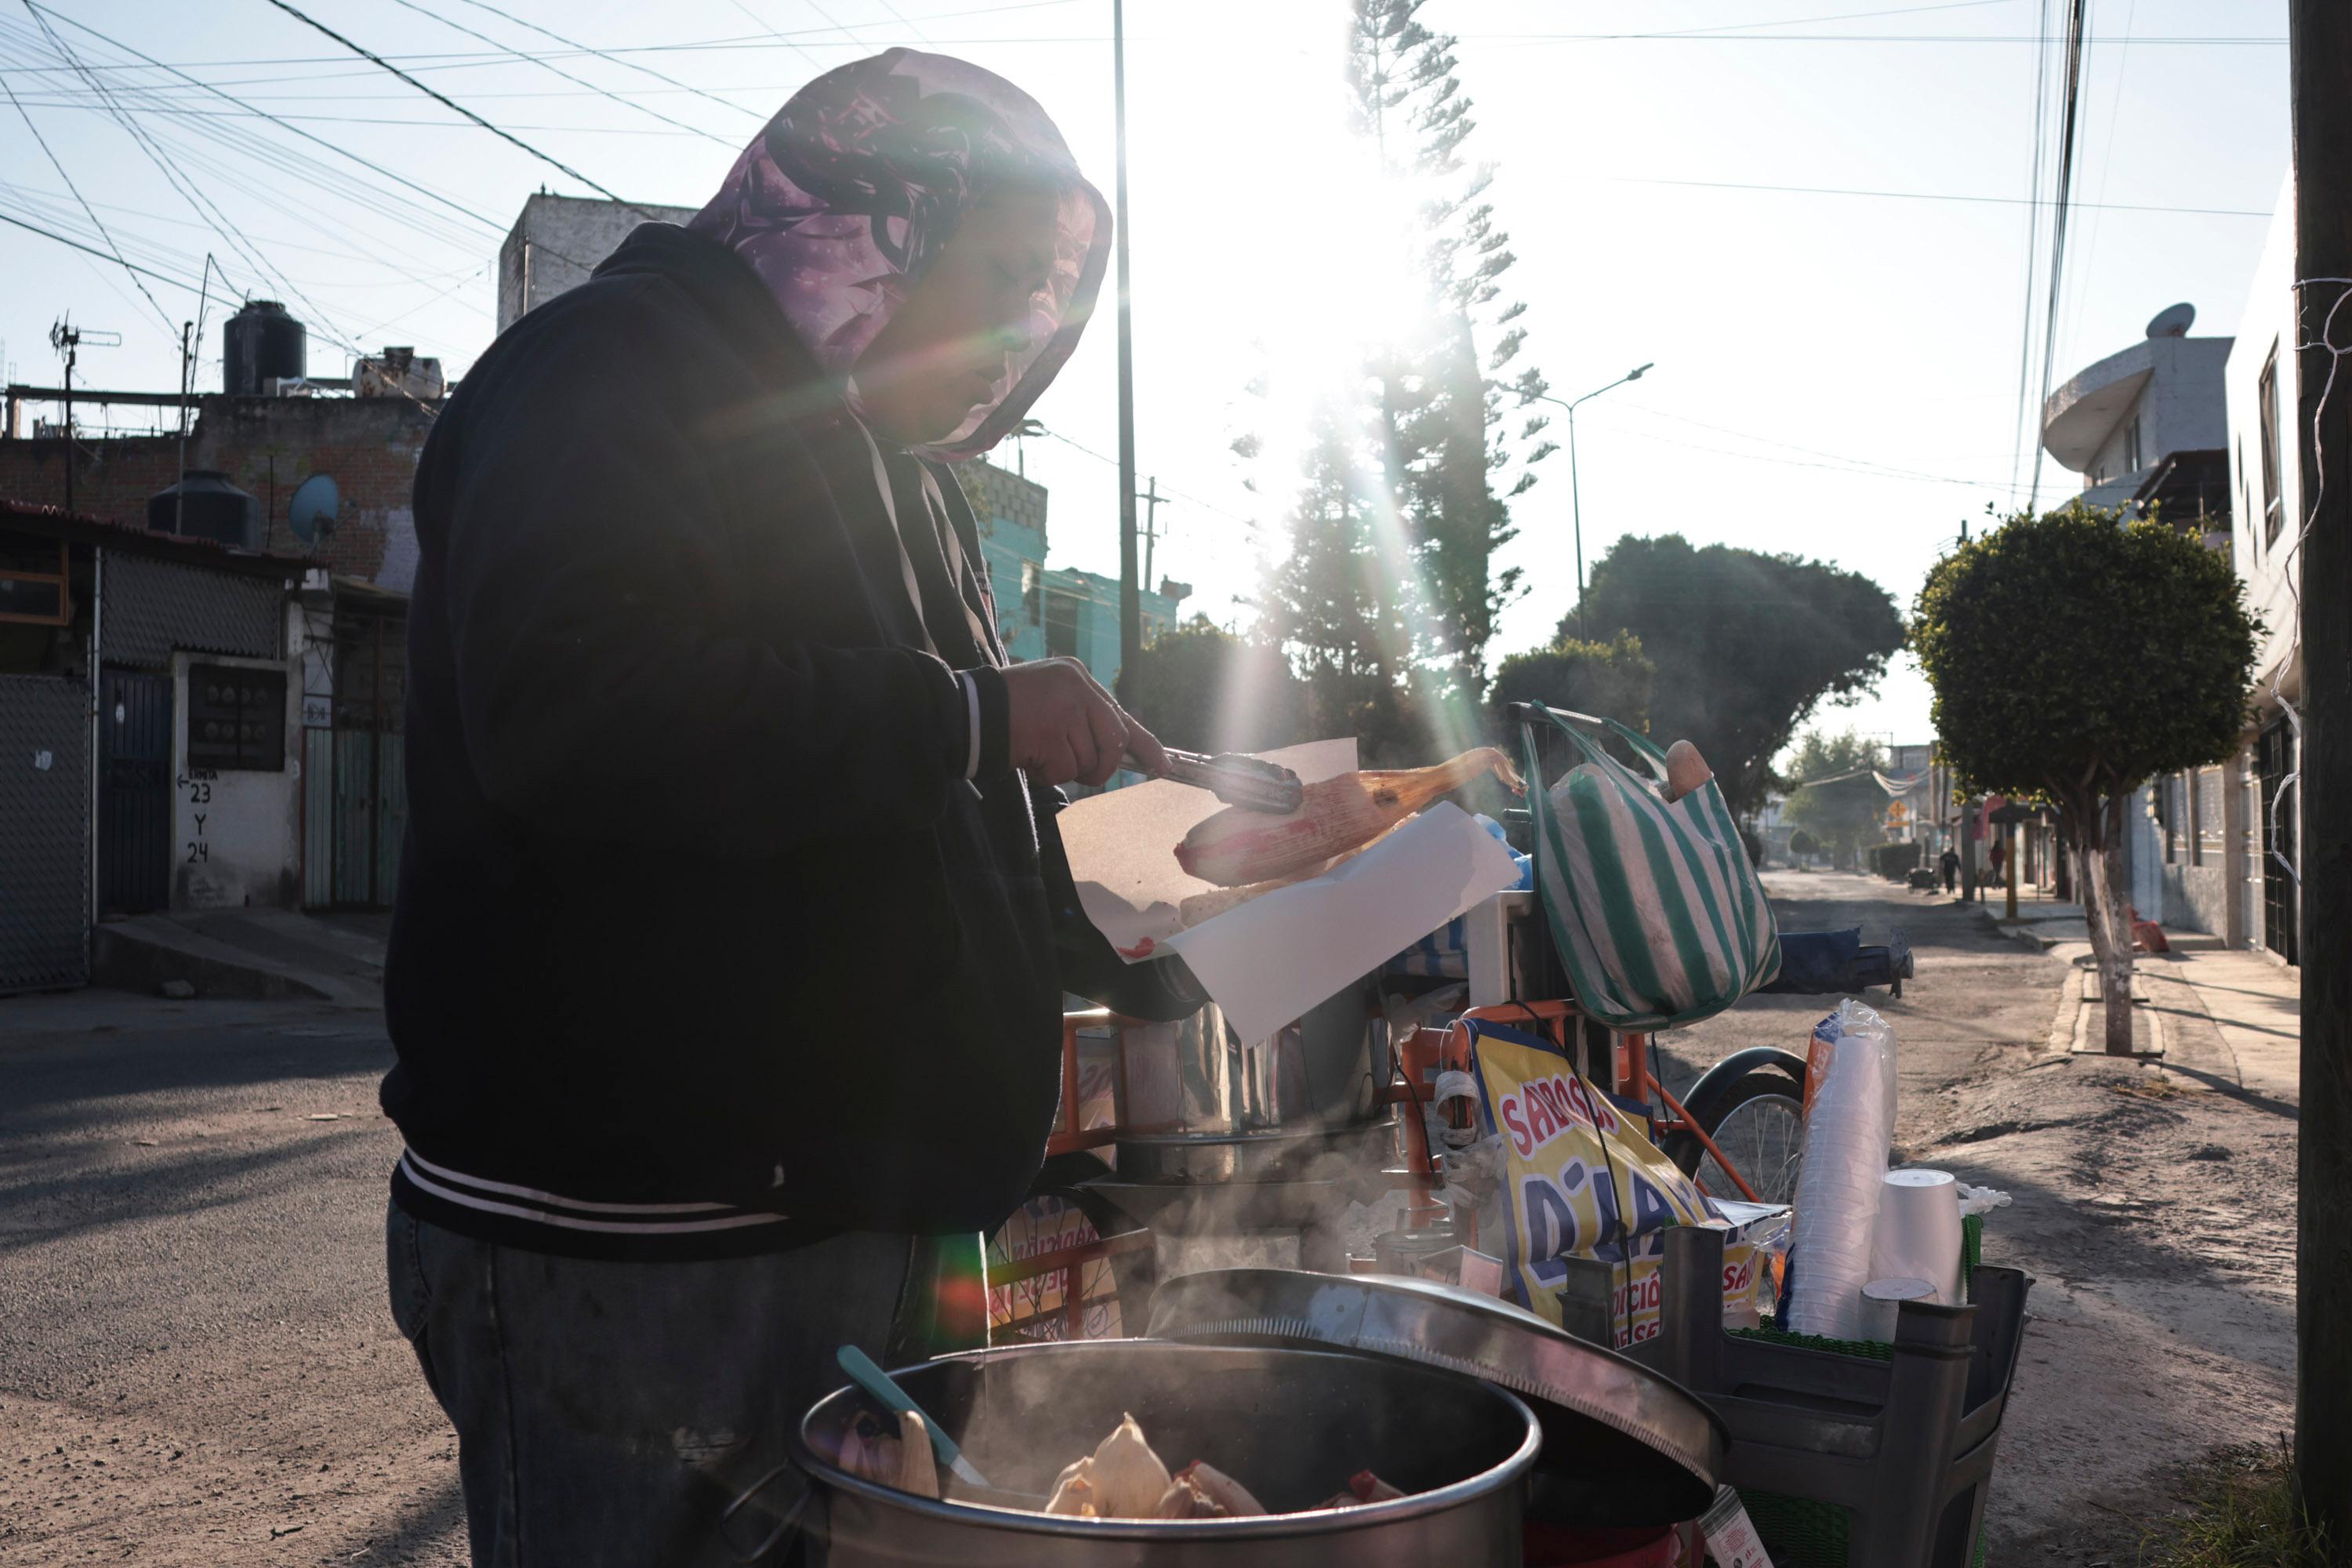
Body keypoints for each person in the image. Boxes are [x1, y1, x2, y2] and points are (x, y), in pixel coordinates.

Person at [379, 50, 1202, 1566]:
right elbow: (581, 715)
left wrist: (1159, 912)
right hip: (631, 1252)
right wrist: (973, 712)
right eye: (1010, 275)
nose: (1029, 337)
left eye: (1055, 298)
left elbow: (926, 806)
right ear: (887, 215)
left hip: (847, 1231)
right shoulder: (611, 373)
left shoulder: (894, 477)